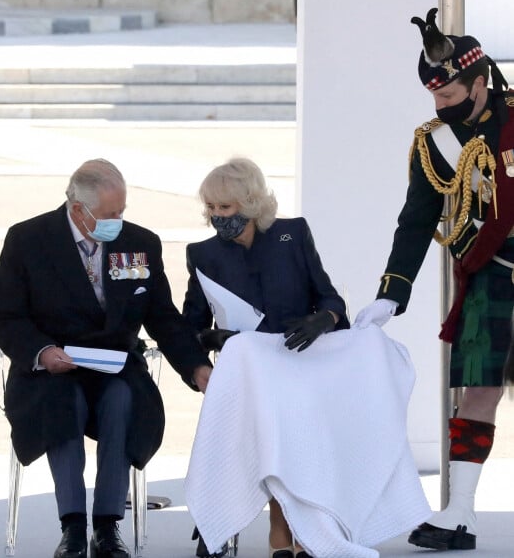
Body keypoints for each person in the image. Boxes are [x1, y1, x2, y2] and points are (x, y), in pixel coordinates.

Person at [182, 158, 430, 558]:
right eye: (210, 208)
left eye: (224, 208)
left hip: (303, 364)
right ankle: (283, 529)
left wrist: (324, 318)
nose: (215, 216)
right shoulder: (203, 253)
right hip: (252, 375)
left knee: (294, 421)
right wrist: (208, 342)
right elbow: (189, 324)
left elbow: (329, 297)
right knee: (276, 419)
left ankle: (296, 530)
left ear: (249, 202)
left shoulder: (291, 234)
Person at [0, 158, 213, 558]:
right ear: (78, 210)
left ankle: (107, 528)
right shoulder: (28, 240)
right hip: (50, 369)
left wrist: (197, 367)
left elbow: (163, 318)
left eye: (122, 211)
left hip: (115, 365)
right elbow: (4, 316)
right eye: (110, 215)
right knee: (62, 403)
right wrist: (42, 353)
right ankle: (72, 528)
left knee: (122, 402)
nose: (118, 222)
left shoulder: (141, 243)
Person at [355, 8, 514, 552]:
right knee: (478, 394)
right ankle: (460, 515)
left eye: (448, 97)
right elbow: (417, 219)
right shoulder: (433, 143)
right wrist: (390, 293)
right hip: (492, 277)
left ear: (478, 81)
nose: (440, 107)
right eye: (434, 100)